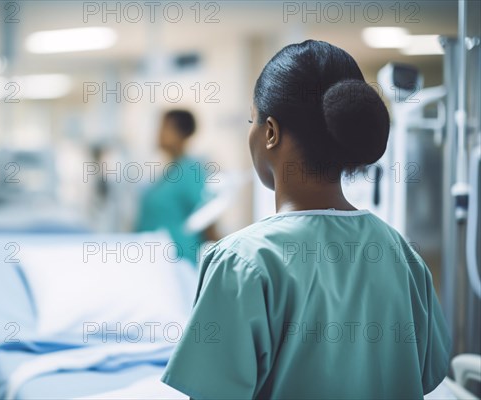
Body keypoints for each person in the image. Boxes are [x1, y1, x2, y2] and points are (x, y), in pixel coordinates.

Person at [161, 40, 451, 399]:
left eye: (252, 121)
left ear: (270, 132)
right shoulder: (402, 255)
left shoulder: (242, 262)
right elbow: (427, 376)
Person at [136, 110, 217, 265]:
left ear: (181, 134)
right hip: (154, 261)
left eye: (165, 127)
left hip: (179, 263)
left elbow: (207, 219)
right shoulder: (168, 172)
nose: (158, 133)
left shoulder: (191, 171)